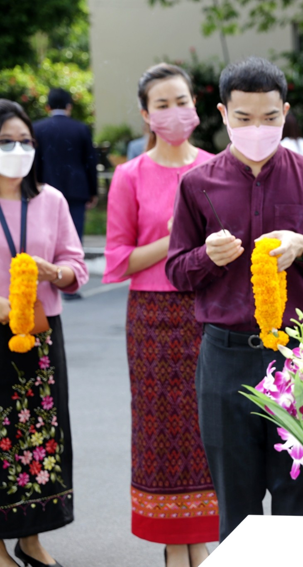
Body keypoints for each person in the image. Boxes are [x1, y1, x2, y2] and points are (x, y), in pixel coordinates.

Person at [165, 57, 303, 541]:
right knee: (236, 505)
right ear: (223, 114)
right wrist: (206, 257)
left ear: (285, 112)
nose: (257, 128)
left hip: (297, 355)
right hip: (225, 356)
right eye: (244, 118)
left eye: (269, 117)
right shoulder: (197, 184)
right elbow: (176, 271)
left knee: (299, 497)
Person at [102, 64, 218, 567]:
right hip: (152, 319)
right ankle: (175, 543)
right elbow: (117, 261)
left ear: (196, 105)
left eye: (181, 101)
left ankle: (203, 537)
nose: (174, 112)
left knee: (210, 426)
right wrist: (172, 239)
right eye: (162, 105)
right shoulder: (129, 175)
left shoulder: (217, 168)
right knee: (161, 430)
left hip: (209, 312)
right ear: (146, 115)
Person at [0, 100, 88, 567]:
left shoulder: (50, 199)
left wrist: (55, 272)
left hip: (40, 332)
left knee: (41, 436)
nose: (17, 150)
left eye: (24, 141)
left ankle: (31, 539)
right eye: (5, 142)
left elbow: (76, 266)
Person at [32, 89, 99, 244]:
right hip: (76, 190)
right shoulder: (81, 128)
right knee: (74, 238)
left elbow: (35, 163)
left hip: (46, 188)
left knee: (47, 237)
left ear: (47, 107)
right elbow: (90, 161)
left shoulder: (37, 128)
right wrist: (93, 191)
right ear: (69, 106)